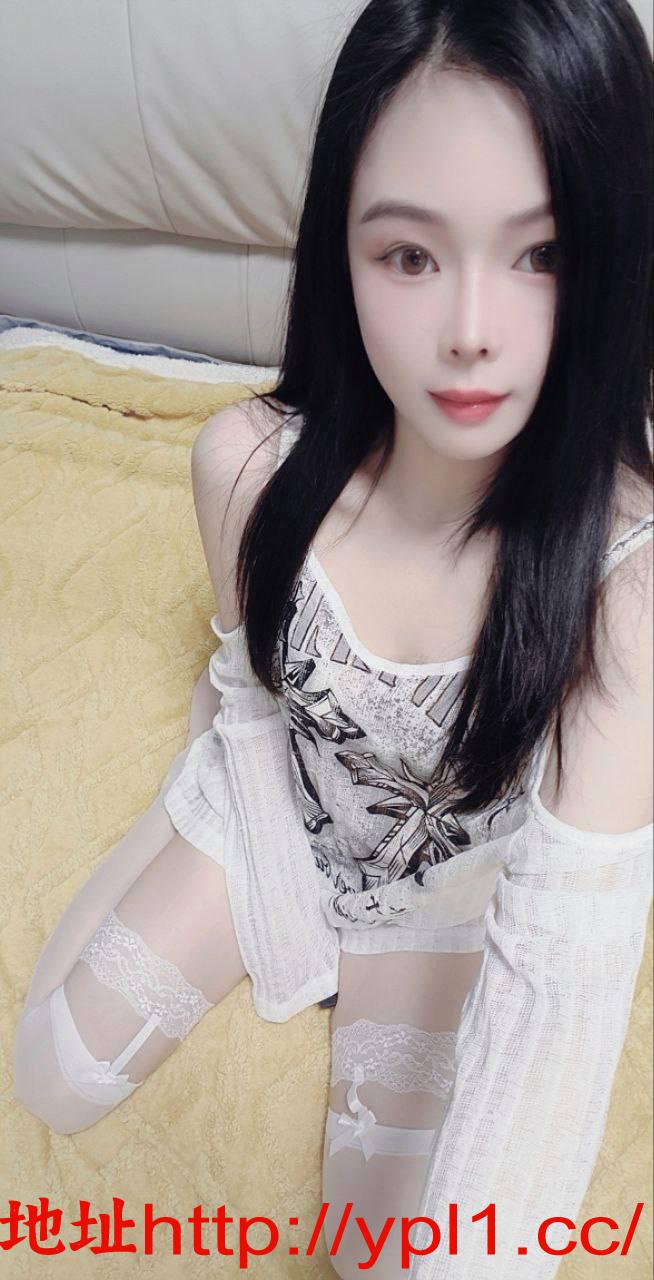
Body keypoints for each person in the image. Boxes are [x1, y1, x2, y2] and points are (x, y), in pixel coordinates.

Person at [13, 1, 653, 1276]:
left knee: (382, 1253)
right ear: (339, 251)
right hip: (277, 798)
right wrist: (251, 859)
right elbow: (251, 691)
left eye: (542, 253)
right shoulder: (246, 467)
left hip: (451, 890)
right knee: (53, 1071)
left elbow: (560, 991)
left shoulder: (623, 593)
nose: (471, 327)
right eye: (410, 255)